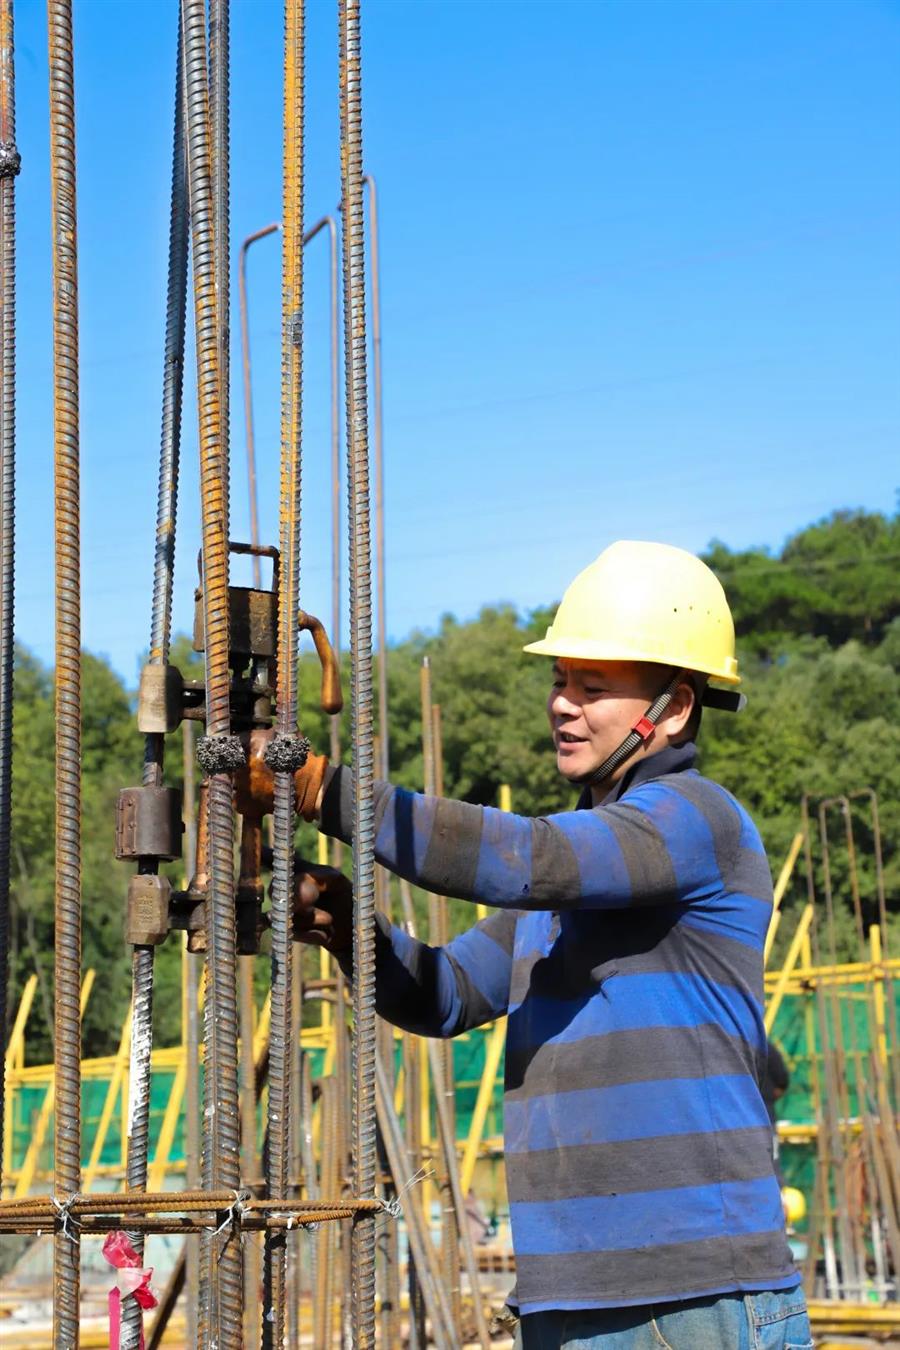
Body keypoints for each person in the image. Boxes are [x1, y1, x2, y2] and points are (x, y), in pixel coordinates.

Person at [289, 541, 812, 1350]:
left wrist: (322, 791)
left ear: (674, 708)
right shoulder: (566, 890)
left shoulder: (694, 819)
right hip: (569, 1294)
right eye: (560, 680)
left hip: (695, 1297)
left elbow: (526, 859)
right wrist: (345, 922)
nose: (564, 704)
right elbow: (447, 994)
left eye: (592, 687)